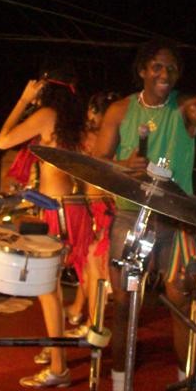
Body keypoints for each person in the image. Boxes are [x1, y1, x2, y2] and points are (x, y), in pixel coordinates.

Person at [92, 38, 196, 391]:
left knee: (181, 305)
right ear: (143, 70)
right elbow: (98, 161)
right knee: (124, 306)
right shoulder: (120, 110)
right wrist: (123, 166)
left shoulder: (183, 107)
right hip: (130, 217)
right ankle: (120, 385)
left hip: (176, 220)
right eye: (158, 67)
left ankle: (185, 382)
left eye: (172, 68)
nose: (165, 74)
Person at [0, 66, 84, 388]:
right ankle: (56, 348)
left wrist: (23, 100)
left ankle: (60, 367)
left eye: (39, 88)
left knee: (48, 290)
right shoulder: (69, 123)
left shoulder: (47, 115)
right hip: (67, 208)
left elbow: (3, 140)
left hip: (55, 212)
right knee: (51, 290)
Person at [63, 91, 121, 338]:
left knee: (94, 262)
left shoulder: (97, 138)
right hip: (95, 206)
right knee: (88, 262)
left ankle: (94, 324)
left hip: (105, 208)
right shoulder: (111, 138)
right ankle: (82, 313)